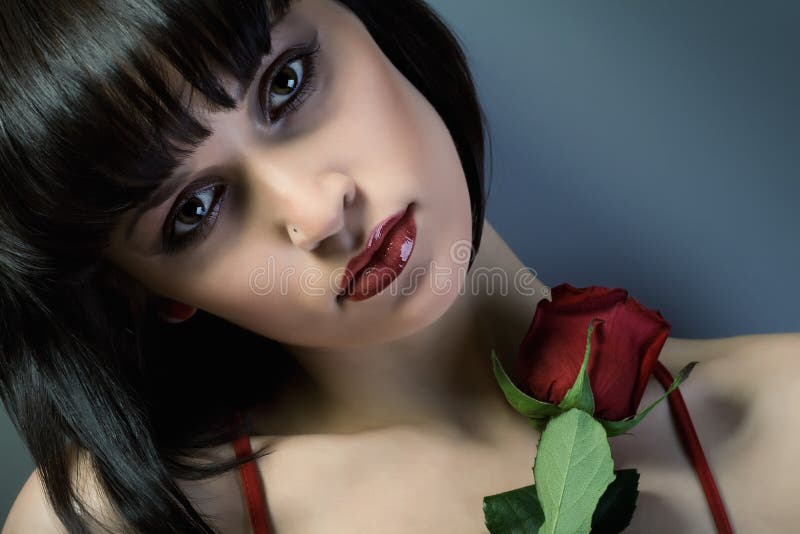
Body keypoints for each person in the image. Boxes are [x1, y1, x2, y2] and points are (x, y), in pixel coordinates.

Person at [1, 0, 798, 532]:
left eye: (286, 83)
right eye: (194, 212)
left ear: (370, 18)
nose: (318, 213)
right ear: (148, 294)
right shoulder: (124, 522)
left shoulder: (785, 418)